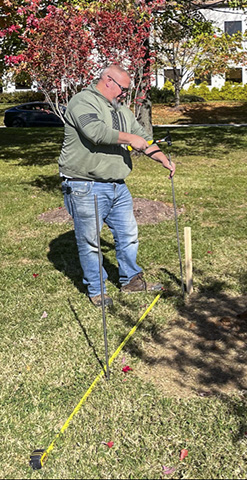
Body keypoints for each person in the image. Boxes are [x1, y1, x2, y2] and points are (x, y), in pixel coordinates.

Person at [58, 65, 175, 307]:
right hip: (85, 185)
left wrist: (161, 157)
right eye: (123, 89)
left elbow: (142, 136)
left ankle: (131, 280)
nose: (125, 94)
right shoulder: (83, 102)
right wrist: (131, 139)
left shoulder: (122, 110)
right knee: (91, 241)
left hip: (117, 186)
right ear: (108, 80)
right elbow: (96, 132)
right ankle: (96, 289)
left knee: (128, 236)